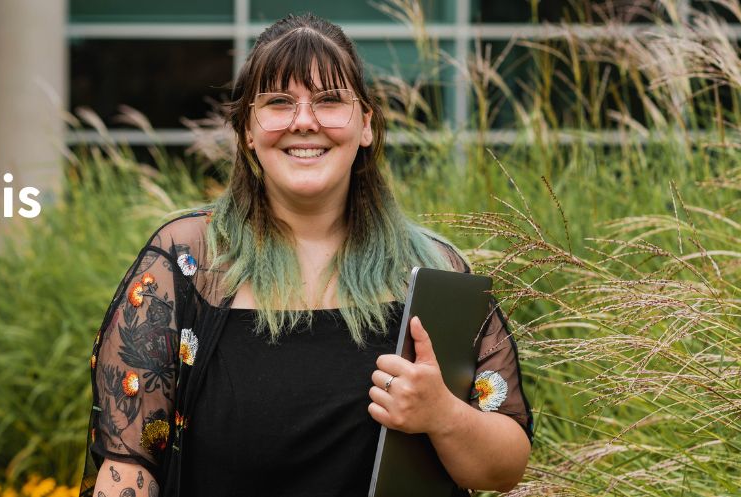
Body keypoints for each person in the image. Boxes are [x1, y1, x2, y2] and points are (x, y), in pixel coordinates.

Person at [78, 13, 533, 497]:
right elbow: (128, 464)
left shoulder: (432, 273)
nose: (304, 122)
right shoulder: (186, 263)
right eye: (278, 103)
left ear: (366, 126)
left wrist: (443, 414)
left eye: (330, 101)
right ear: (248, 131)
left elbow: (503, 469)